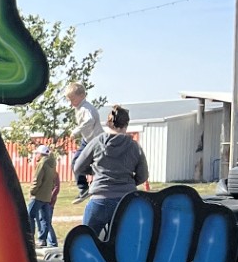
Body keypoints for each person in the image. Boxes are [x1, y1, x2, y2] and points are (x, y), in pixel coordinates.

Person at [73, 104, 149, 238]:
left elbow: (78, 167)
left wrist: (94, 172)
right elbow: (143, 175)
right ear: (126, 124)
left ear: (108, 123)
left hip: (100, 199)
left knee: (87, 239)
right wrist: (129, 182)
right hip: (126, 201)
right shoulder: (134, 147)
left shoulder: (97, 142)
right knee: (126, 241)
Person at [67, 82, 102, 198]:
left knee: (81, 163)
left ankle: (91, 182)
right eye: (69, 100)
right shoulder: (79, 108)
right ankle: (83, 188)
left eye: (73, 99)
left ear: (82, 96)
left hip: (96, 141)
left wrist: (76, 131)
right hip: (87, 140)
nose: (71, 103)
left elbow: (89, 121)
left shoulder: (86, 108)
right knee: (75, 162)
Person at [27, 146, 59, 249]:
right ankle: (42, 240)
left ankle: (30, 240)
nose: (36, 155)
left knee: (29, 216)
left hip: (38, 195)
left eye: (36, 153)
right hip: (47, 196)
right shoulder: (52, 164)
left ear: (40, 154)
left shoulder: (42, 164)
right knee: (45, 219)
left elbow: (37, 180)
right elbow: (53, 181)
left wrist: (32, 191)